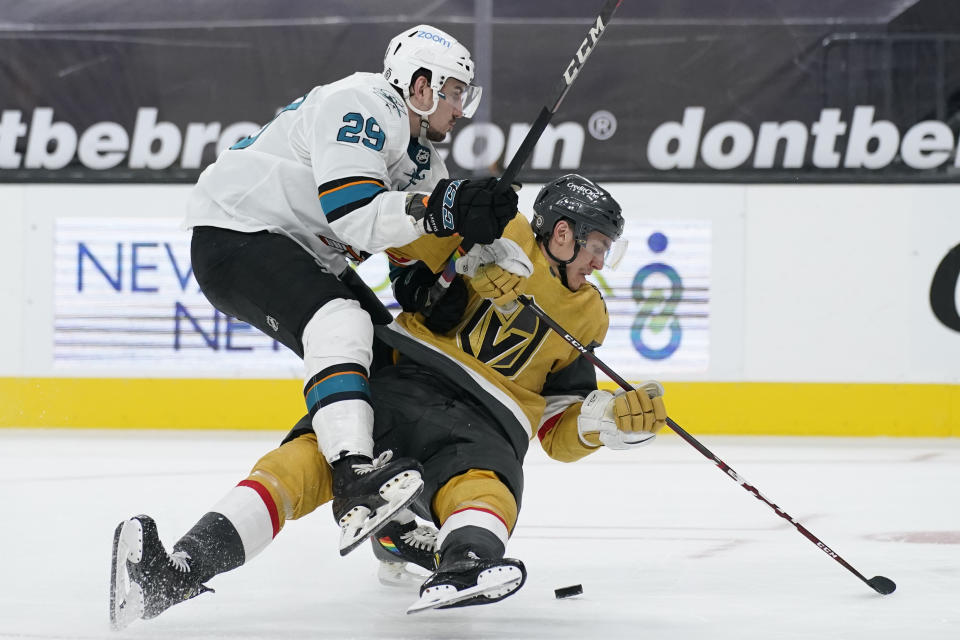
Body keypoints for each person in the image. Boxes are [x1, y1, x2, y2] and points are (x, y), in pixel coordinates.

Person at [109, 175, 667, 627]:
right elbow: (388, 232)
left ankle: (464, 565)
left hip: (489, 428)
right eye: (597, 246)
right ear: (563, 234)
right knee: (308, 460)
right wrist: (461, 253)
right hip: (405, 381)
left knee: (486, 487)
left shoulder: (589, 315)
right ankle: (171, 575)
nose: (599, 262)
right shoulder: (503, 228)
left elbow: (556, 433)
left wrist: (608, 424)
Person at [181, 22, 518, 559]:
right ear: (420, 85)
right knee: (342, 321)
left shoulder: (425, 159)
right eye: (454, 92)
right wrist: (445, 207)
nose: (461, 109)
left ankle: (391, 527)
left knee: (391, 364)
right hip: (237, 234)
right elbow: (356, 212)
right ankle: (354, 474)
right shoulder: (361, 104)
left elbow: (416, 263)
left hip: (300, 249)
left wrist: (467, 257)